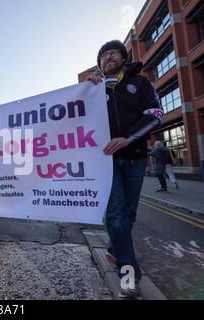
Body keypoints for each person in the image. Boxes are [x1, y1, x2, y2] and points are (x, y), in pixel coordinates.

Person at [87, 40, 164, 298]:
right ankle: (129, 277)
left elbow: (154, 114)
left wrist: (128, 138)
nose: (109, 56)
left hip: (135, 157)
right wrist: (86, 89)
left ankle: (113, 249)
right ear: (99, 62)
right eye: (103, 54)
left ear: (123, 58)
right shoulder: (92, 89)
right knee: (116, 216)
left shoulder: (141, 84)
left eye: (114, 53)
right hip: (105, 162)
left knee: (128, 214)